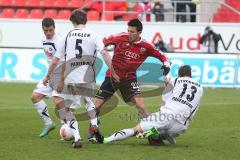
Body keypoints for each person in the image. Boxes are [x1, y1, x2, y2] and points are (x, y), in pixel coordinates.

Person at [88, 18, 171, 141]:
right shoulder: (120, 37)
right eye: (128, 31)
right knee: (94, 107)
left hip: (130, 79)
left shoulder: (146, 46)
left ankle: (151, 134)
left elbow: (162, 55)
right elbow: (101, 42)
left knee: (141, 107)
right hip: (112, 76)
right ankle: (92, 129)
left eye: (132, 32)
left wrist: (166, 64)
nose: (129, 34)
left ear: (139, 33)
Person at [43, 9, 111, 148]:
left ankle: (77, 138)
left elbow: (56, 60)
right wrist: (113, 69)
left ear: (72, 21)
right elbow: (104, 52)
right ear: (85, 21)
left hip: (71, 75)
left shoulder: (67, 35)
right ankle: (93, 124)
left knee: (67, 110)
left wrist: (49, 76)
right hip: (88, 74)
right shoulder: (94, 34)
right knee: (88, 102)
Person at [103, 65, 203, 145]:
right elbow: (194, 108)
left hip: (166, 115)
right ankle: (161, 134)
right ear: (191, 75)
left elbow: (166, 79)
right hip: (181, 125)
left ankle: (107, 139)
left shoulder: (176, 80)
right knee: (169, 133)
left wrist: (165, 71)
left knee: (135, 130)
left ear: (179, 74)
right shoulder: (200, 88)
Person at [31, 17, 65, 138]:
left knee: (58, 102)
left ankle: (65, 129)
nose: (48, 33)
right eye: (46, 31)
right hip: (50, 75)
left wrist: (61, 80)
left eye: (50, 30)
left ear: (54, 28)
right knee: (35, 97)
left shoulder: (60, 40)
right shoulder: (43, 38)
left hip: (61, 74)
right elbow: (50, 59)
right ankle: (48, 123)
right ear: (43, 29)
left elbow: (65, 61)